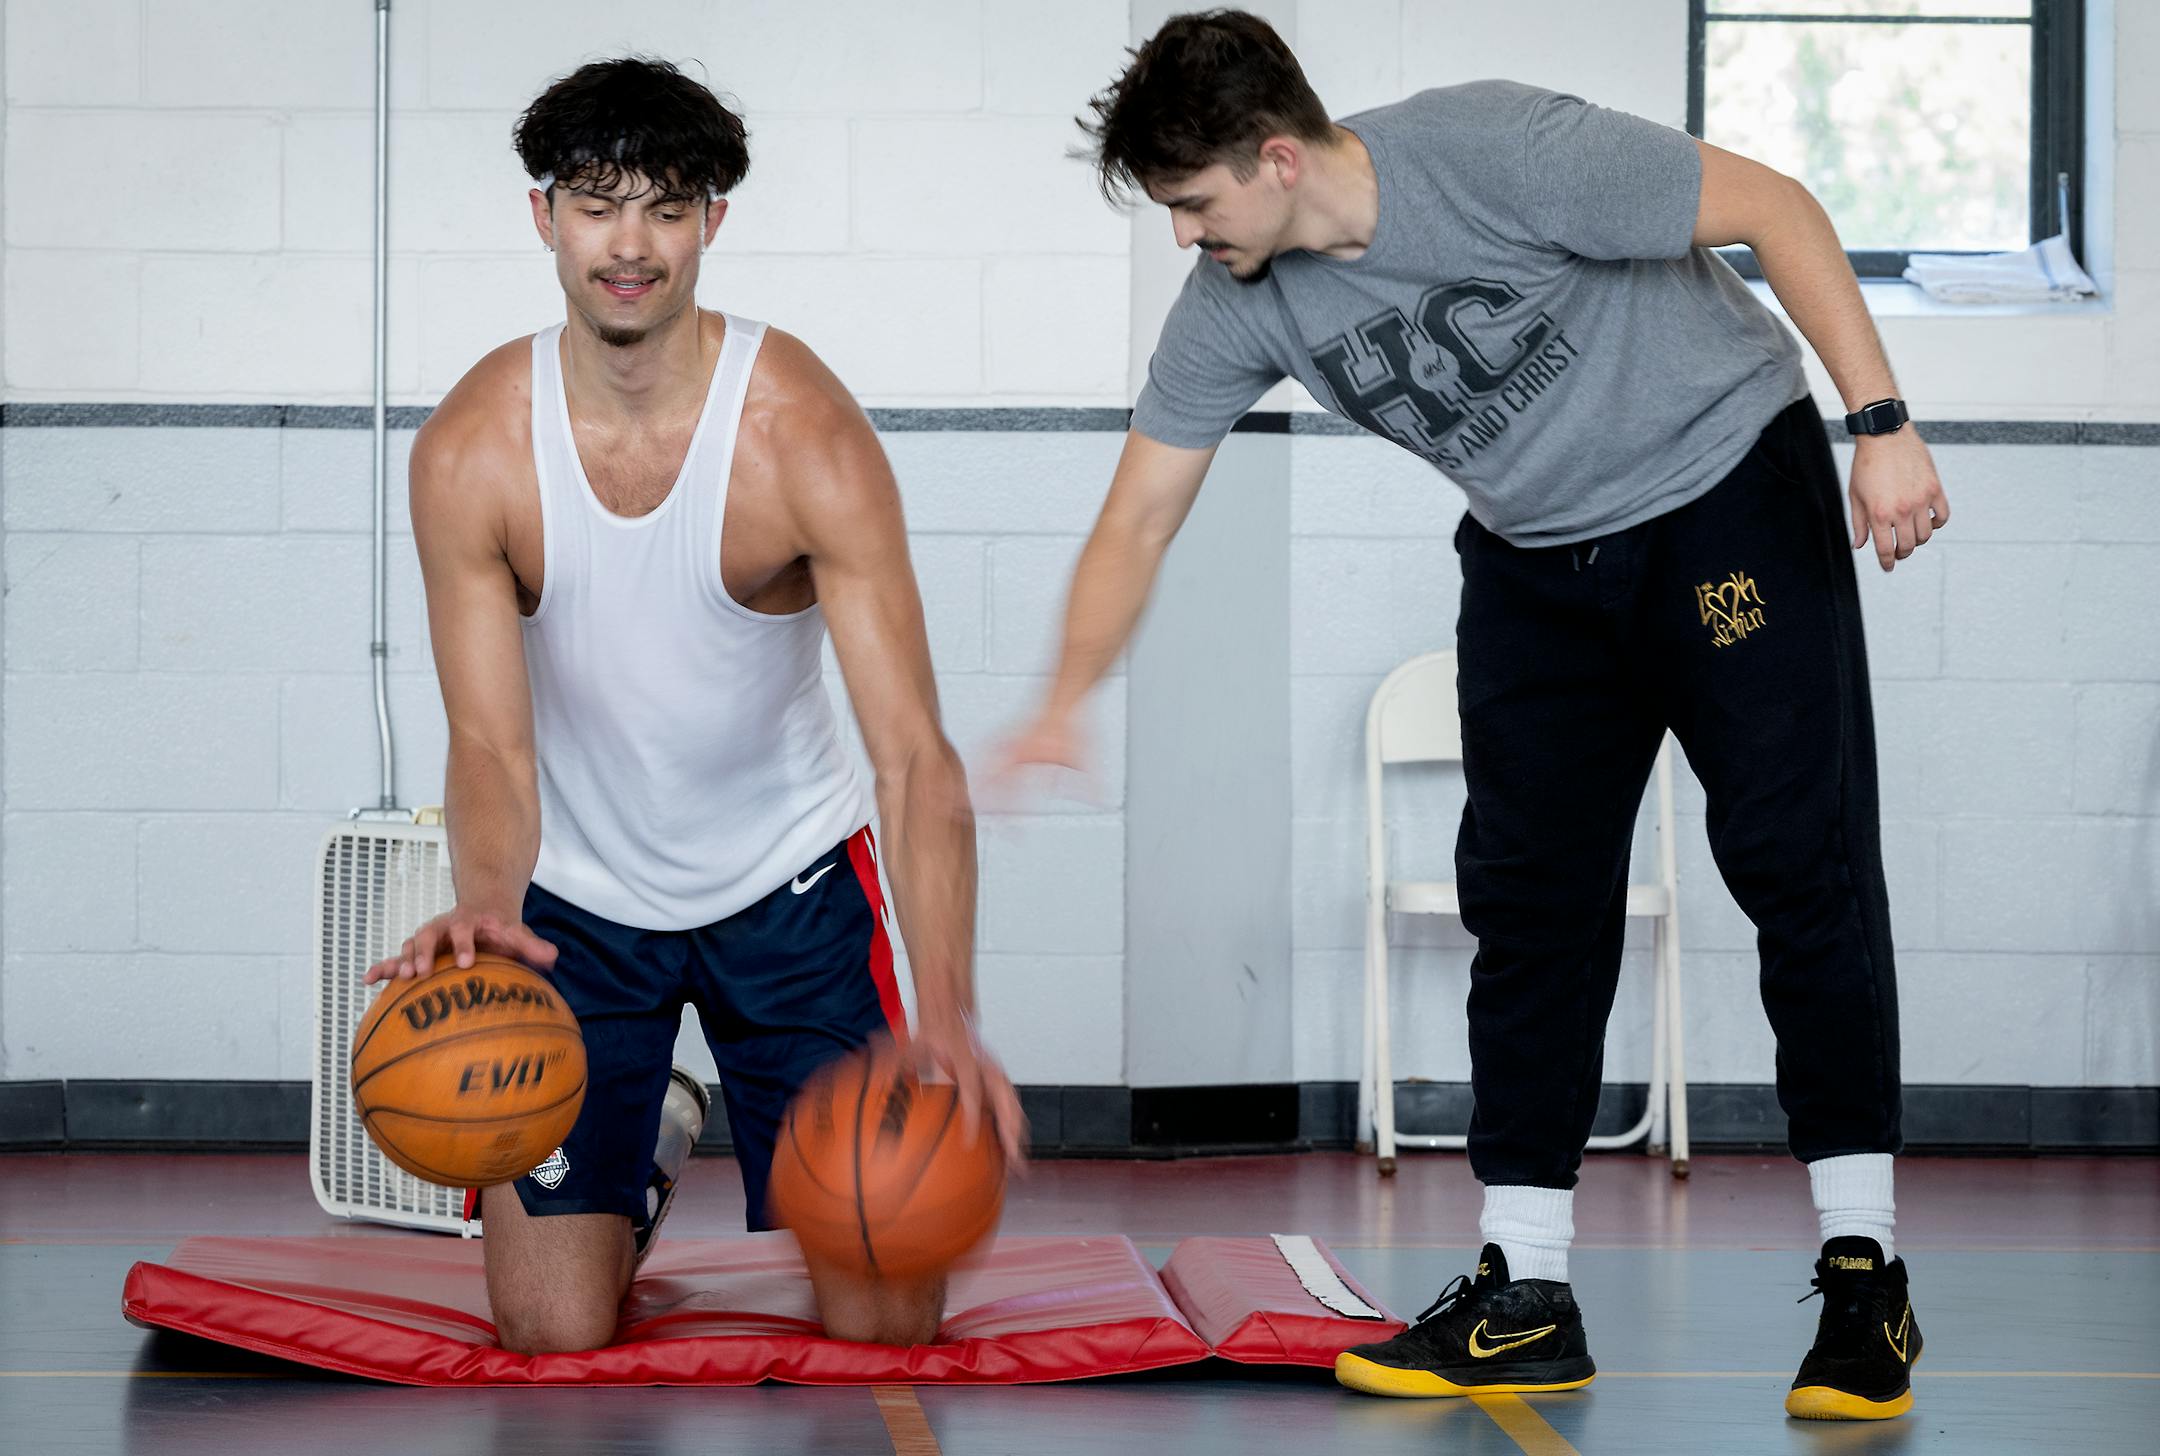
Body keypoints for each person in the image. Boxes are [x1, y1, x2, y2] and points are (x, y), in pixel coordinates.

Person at [1001, 10, 1945, 1421]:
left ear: (1273, 159)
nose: (1185, 239)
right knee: (1526, 900)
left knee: (1796, 861)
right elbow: (1139, 514)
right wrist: (1061, 698)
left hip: (1723, 493)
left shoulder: (1498, 150)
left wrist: (1881, 427)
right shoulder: (1238, 301)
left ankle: (1864, 1274)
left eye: (1193, 206)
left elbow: (1778, 208)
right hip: (1536, 557)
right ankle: (1527, 1287)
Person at [363, 57, 1022, 1354]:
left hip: (793, 889)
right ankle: (657, 1123)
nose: (630, 244)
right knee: (551, 1334)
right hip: (581, 907)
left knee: (888, 1311)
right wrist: (490, 908)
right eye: (598, 204)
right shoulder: (473, 449)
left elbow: (912, 757)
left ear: (713, 221)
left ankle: (718, 1107)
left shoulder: (803, 435)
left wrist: (944, 1010)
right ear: (542, 215)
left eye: (667, 207)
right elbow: (492, 741)